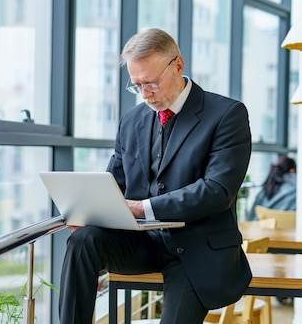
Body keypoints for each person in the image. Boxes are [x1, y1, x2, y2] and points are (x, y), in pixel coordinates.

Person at [59, 28, 252, 324]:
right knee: (83, 240)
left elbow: (217, 191)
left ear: (178, 65)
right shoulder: (131, 119)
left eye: (151, 83)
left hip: (195, 250)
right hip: (141, 242)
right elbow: (115, 182)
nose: (146, 95)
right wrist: (90, 212)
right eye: (137, 85)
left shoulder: (227, 114)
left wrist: (142, 207)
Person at [247, 156, 296, 221]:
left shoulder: (266, 190)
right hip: (290, 229)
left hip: (263, 228)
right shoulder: (297, 187)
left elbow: (252, 217)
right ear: (292, 171)